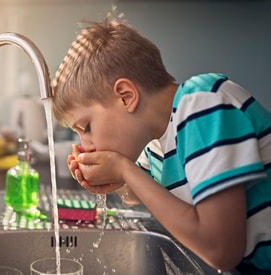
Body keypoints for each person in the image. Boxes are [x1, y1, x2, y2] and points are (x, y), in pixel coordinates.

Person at [51, 12, 271, 273]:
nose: (84, 145)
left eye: (86, 128)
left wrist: (123, 170)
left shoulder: (202, 102)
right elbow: (136, 194)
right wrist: (112, 181)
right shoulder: (156, 143)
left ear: (125, 96)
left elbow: (221, 251)